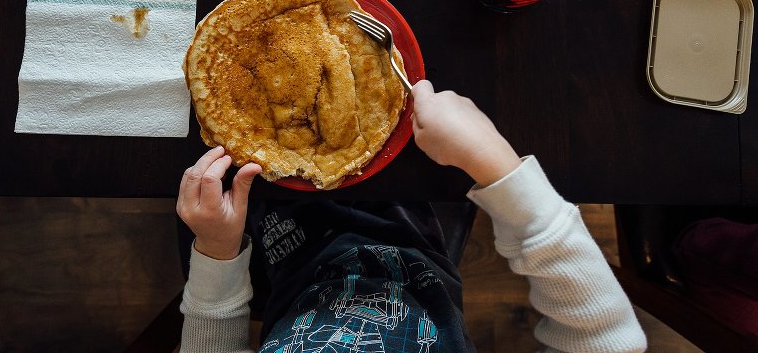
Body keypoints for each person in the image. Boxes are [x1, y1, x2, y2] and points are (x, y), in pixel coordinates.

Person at [176, 80, 648, 352]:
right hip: (411, 251)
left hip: (287, 267)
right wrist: (491, 159)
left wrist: (218, 251)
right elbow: (605, 337)